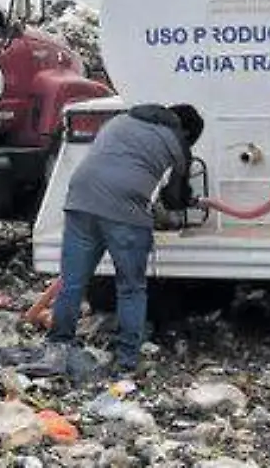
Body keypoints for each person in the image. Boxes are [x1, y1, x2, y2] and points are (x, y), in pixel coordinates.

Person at [45, 102, 202, 374]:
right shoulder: (177, 143)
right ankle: (127, 359)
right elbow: (175, 199)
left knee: (72, 282)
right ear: (186, 132)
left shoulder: (120, 120)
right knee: (131, 287)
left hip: (80, 200)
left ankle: (58, 347)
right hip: (125, 212)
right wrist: (189, 200)